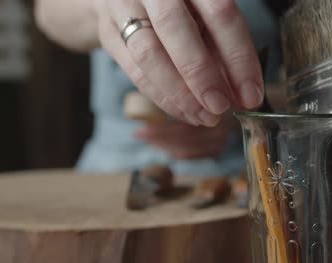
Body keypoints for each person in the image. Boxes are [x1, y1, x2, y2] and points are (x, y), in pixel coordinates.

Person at [34, 0, 288, 176]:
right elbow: (47, 12)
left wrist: (244, 114)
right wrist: (104, 6)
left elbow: (316, 91)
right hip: (108, 167)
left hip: (248, 168)